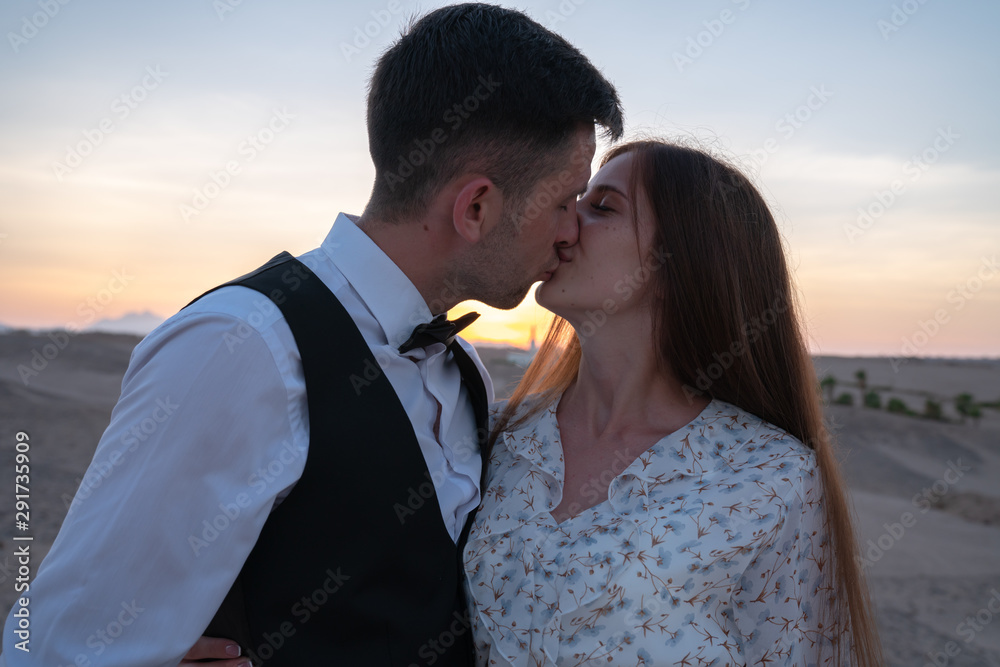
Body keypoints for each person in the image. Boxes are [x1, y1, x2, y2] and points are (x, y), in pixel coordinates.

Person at [0, 4, 623, 666]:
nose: (571, 231)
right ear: (476, 207)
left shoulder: (463, 367)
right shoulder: (241, 348)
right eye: (564, 201)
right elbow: (58, 645)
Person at [461, 140, 885, 666]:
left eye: (602, 207)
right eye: (575, 201)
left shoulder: (771, 477)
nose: (564, 225)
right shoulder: (498, 434)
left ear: (678, 261)